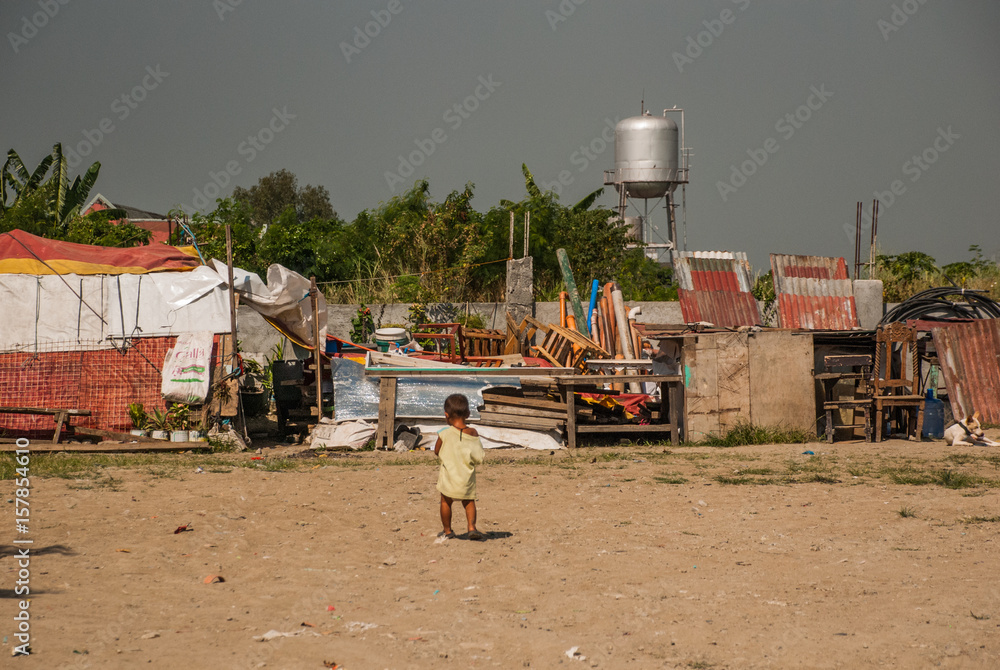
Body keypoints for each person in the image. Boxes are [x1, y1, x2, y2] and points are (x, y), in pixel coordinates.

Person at [434, 393, 486, 540]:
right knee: (469, 502)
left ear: (446, 415)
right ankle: (471, 527)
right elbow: (479, 457)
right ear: (468, 414)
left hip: (449, 478)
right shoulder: (473, 433)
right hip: (466, 478)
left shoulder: (443, 434)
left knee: (445, 502)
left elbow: (437, 451)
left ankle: (448, 530)